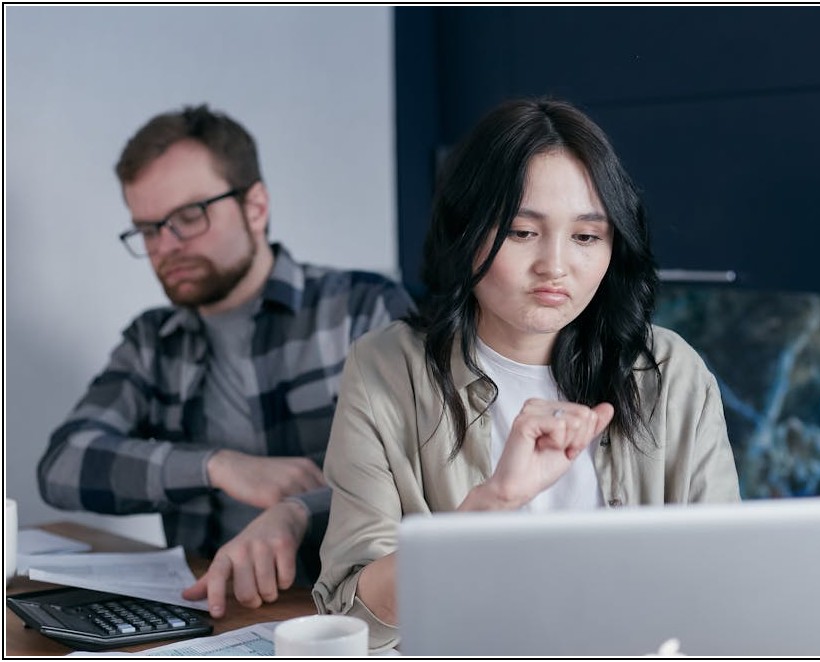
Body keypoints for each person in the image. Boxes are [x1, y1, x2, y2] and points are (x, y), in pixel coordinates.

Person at [312, 98, 741, 652]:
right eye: (521, 232)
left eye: (586, 236)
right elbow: (353, 611)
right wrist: (490, 506)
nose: (555, 266)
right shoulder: (385, 370)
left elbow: (726, 586)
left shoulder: (670, 373)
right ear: (464, 230)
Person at [37, 104, 415, 619]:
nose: (165, 247)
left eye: (189, 217)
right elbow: (63, 464)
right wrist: (218, 466)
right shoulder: (153, 340)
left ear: (255, 206)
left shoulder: (362, 308)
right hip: (211, 613)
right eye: (147, 229)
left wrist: (299, 511)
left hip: (346, 616)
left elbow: (418, 478)